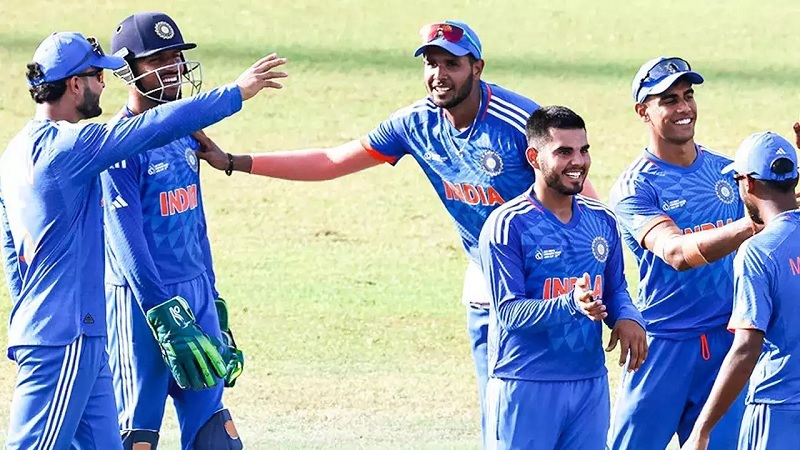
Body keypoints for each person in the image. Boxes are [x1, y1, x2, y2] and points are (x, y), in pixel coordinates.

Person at [192, 20, 598, 443]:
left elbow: (585, 199)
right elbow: (333, 161)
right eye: (431, 63)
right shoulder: (415, 124)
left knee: (563, 410)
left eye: (452, 64)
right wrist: (235, 161)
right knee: (502, 417)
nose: (439, 74)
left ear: (477, 68)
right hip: (490, 280)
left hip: (554, 280)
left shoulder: (517, 120)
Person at [0, 31, 286, 449]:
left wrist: (25, 317)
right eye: (98, 76)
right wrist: (236, 93)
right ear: (75, 84)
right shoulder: (72, 146)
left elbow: (11, 250)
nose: (103, 86)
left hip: (76, 335)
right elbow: (155, 125)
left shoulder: (14, 152)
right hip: (64, 336)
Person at [102, 12, 245, 450]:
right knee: (137, 435)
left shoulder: (186, 134)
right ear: (128, 70)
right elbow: (126, 243)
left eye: (176, 58)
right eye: (157, 60)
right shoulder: (119, 146)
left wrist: (213, 299)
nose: (173, 69)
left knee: (215, 434)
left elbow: (195, 223)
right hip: (143, 305)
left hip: (195, 294)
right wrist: (162, 312)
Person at [607, 56, 755, 449]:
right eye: (669, 100)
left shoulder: (729, 173)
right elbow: (675, 253)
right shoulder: (635, 187)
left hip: (726, 344)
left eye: (688, 96)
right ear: (643, 111)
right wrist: (751, 225)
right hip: (662, 346)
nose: (684, 107)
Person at [479, 105, 647, 450]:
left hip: (589, 384)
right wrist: (571, 303)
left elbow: (615, 290)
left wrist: (628, 317)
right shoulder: (508, 224)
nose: (578, 161)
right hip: (525, 382)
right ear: (533, 157)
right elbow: (509, 312)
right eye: (564, 152)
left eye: (584, 150)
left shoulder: (603, 220)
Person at [683, 131, 800, 450]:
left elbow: (746, 348)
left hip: (777, 411)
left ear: (747, 183)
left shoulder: (759, 252)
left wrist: (701, 430)